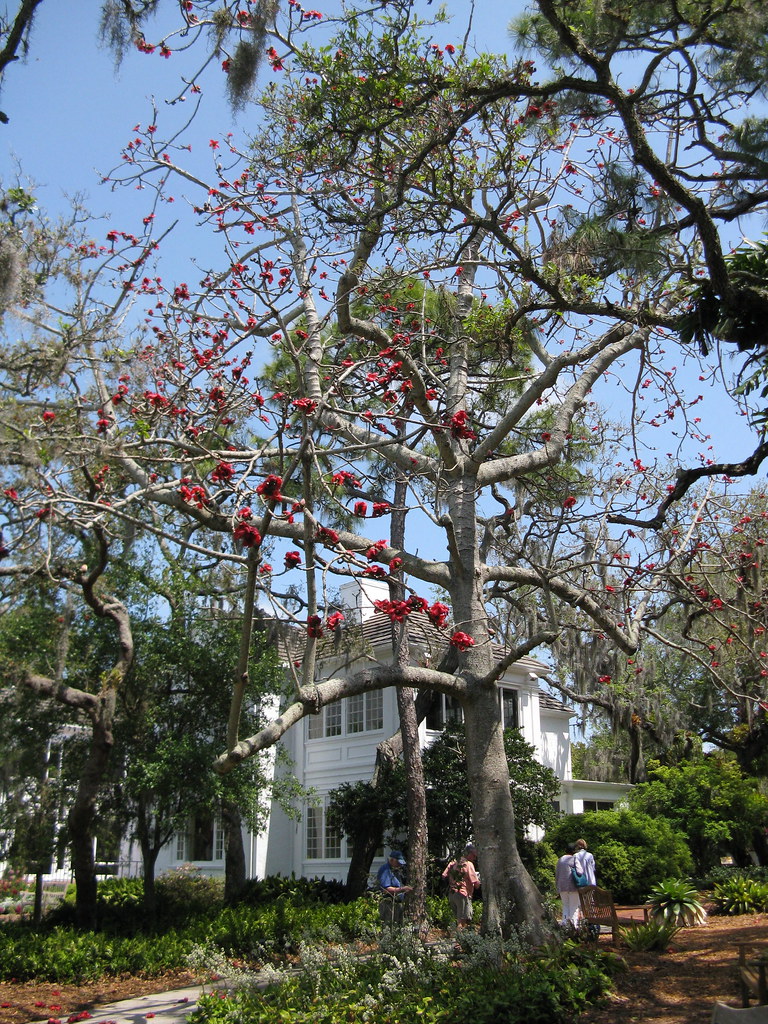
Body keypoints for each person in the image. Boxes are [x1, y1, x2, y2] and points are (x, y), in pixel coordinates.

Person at [442, 843, 481, 929]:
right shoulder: (468, 864)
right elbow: (476, 883)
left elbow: (444, 875)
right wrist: (480, 880)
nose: (475, 859)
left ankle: (459, 939)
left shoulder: (453, 863)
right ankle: (458, 941)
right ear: (469, 853)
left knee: (459, 919)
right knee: (462, 922)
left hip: (452, 894)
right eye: (474, 856)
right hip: (463, 894)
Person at [377, 850, 412, 926]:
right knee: (388, 926)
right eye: (398, 863)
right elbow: (386, 889)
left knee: (398, 927)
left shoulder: (396, 871)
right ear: (392, 860)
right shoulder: (385, 870)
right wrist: (402, 889)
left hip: (398, 904)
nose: (400, 865)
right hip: (388, 905)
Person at [555, 841, 580, 927]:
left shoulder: (560, 859)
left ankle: (565, 925)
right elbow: (580, 871)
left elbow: (557, 874)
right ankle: (574, 927)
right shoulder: (574, 859)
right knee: (574, 907)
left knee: (565, 906)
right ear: (574, 851)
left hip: (562, 887)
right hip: (573, 886)